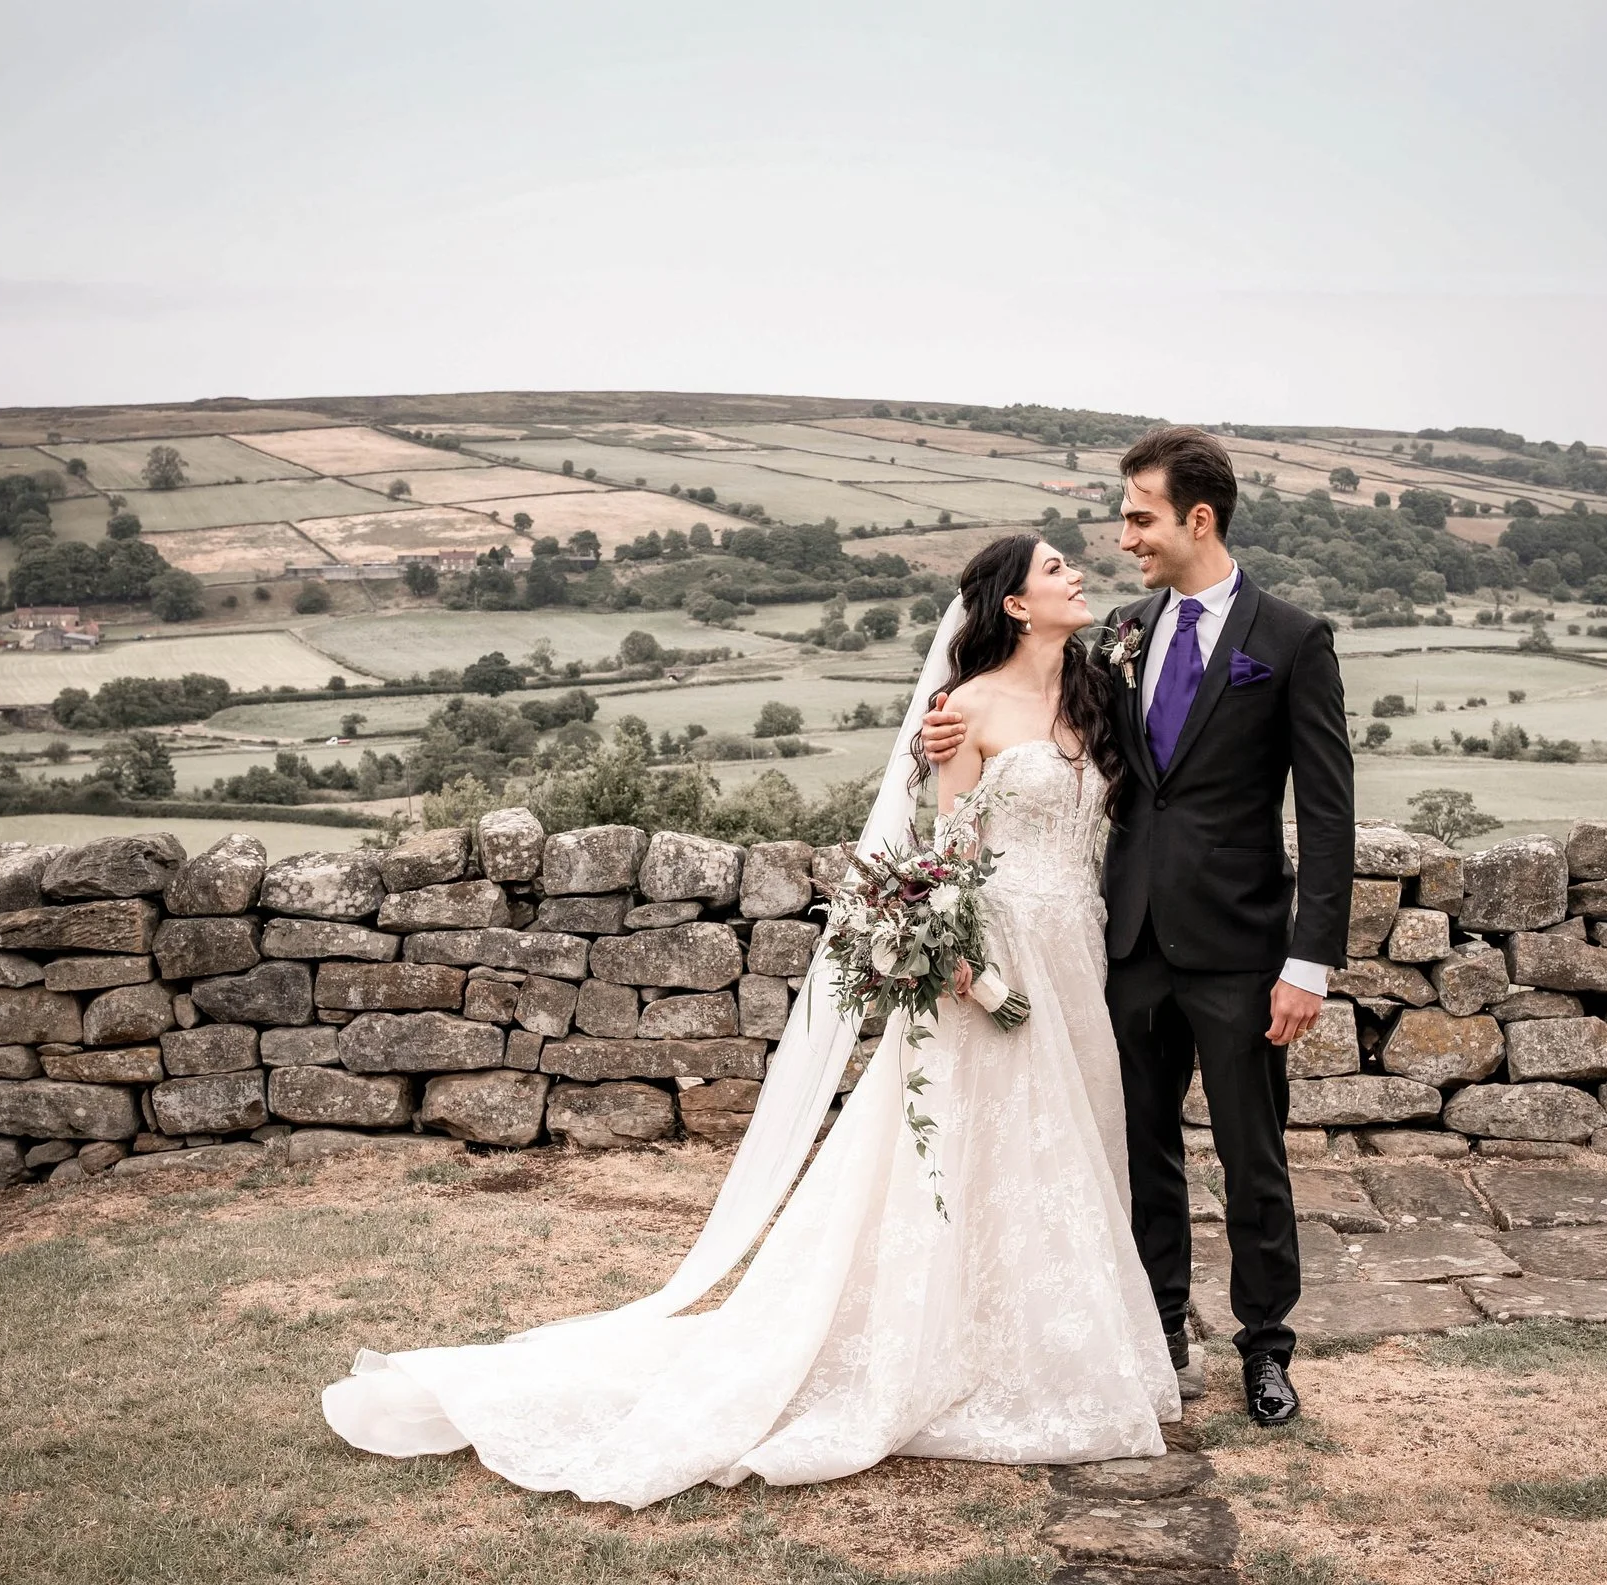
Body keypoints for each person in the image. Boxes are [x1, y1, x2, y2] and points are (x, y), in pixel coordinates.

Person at [319, 535, 1176, 1507]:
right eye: (1056, 568)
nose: (1077, 576)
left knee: (1064, 1148)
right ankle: (950, 1344)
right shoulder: (963, 712)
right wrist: (952, 954)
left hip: (1077, 950)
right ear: (1015, 605)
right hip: (998, 957)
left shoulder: (1100, 691)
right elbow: (944, 853)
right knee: (969, 1152)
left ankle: (1054, 1338)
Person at [922, 425, 1354, 1427]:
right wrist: (950, 725)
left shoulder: (1291, 640)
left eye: (1139, 517)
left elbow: (1326, 813)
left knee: (1255, 1153)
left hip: (1244, 950)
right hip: (1120, 946)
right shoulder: (1117, 633)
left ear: (1196, 518)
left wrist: (1310, 962)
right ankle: (1157, 1327)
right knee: (1139, 1147)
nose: (1124, 538)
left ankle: (1266, 1348)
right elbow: (1041, 729)